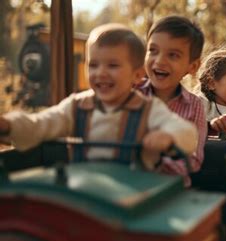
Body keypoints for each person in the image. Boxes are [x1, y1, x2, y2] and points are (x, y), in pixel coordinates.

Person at [0, 23, 197, 174]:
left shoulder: (148, 109)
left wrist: (169, 136)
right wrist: (10, 125)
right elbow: (40, 124)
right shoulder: (77, 106)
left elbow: (187, 133)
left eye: (112, 66)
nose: (100, 73)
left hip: (134, 197)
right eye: (93, 65)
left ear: (137, 75)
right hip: (86, 193)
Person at [138, 15, 206, 184]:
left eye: (173, 55)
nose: (159, 61)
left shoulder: (195, 106)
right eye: (152, 50)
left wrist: (157, 163)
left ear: (192, 66)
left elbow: (193, 160)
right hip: (127, 180)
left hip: (171, 189)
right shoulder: (131, 93)